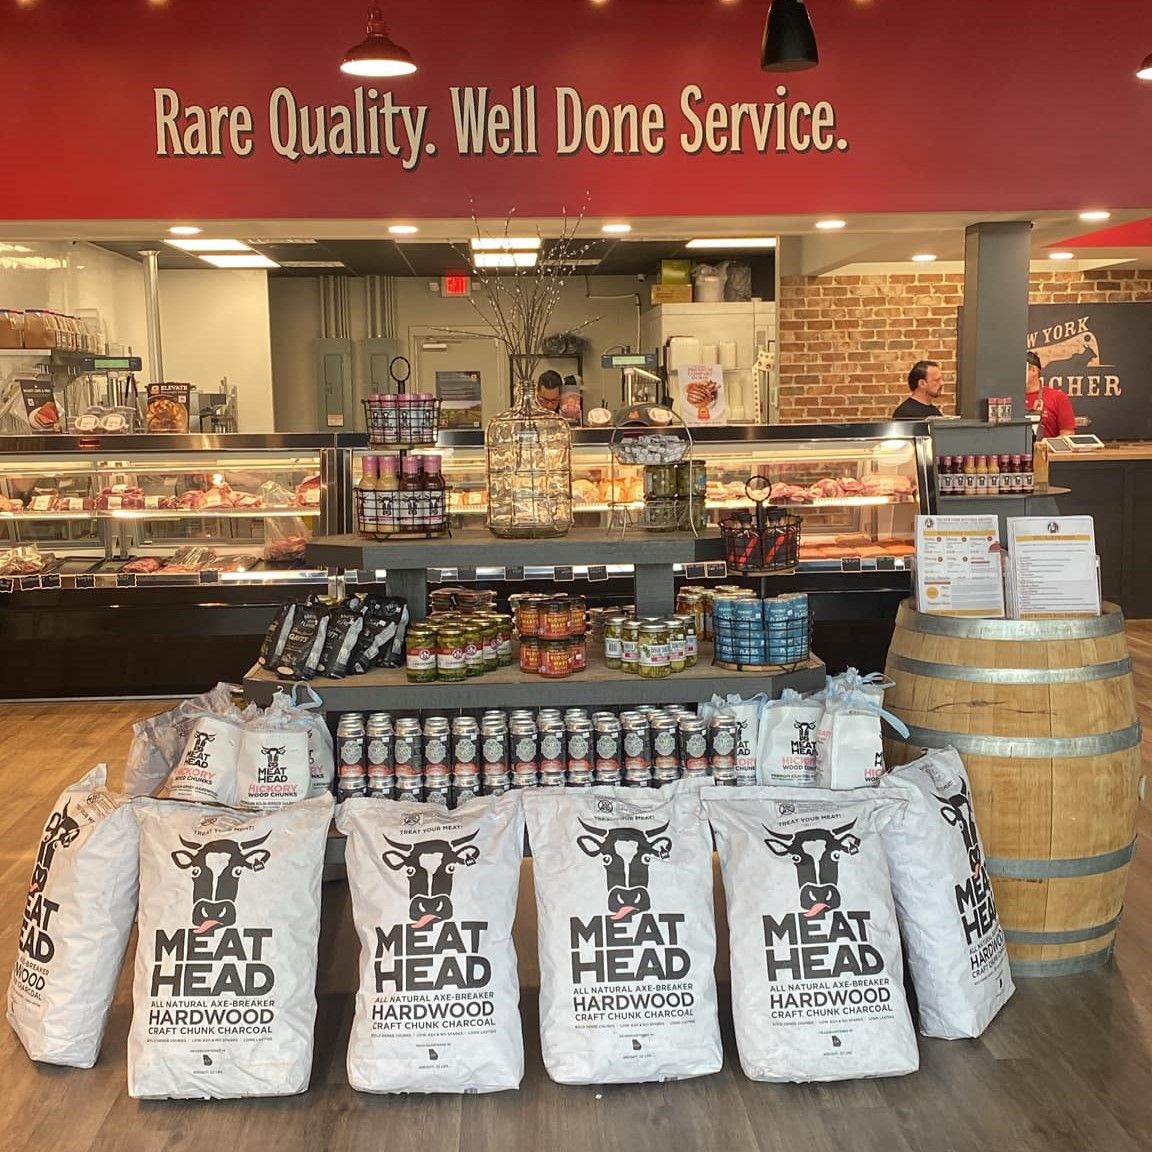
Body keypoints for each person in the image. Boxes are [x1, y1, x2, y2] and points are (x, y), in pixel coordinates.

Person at [1026, 350, 1077, 439]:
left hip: (1045, 452)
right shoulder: (1007, 400)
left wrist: (1045, 445)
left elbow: (1068, 435)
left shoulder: (1058, 397)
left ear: (1034, 371)